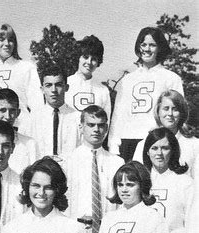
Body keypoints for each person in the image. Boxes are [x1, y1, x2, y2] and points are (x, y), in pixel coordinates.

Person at [108, 27, 184, 161]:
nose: (147, 49)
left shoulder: (171, 78)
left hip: (156, 140)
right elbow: (118, 115)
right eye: (143, 44)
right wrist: (113, 144)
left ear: (159, 48)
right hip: (128, 141)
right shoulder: (127, 80)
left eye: (152, 45)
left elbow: (179, 115)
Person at [66, 105, 124, 233]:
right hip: (76, 232)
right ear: (81, 127)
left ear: (106, 128)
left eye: (101, 125)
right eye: (91, 125)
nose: (96, 130)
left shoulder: (117, 162)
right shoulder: (68, 161)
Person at [0, 23, 43, 131]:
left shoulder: (26, 67)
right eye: (1, 39)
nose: (7, 44)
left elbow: (37, 105)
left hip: (19, 127)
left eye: (10, 40)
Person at [133, 90, 199, 177]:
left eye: (175, 109)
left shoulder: (195, 145)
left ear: (182, 113)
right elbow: (136, 179)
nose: (170, 114)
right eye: (166, 108)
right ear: (158, 111)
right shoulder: (143, 145)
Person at [28, 65, 79, 163]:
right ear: (42, 89)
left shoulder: (77, 117)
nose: (54, 90)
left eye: (58, 85)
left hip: (70, 173)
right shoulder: (32, 118)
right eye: (48, 85)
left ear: (66, 87)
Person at [65, 35, 111, 120]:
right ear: (78, 58)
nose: (89, 62)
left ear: (98, 62)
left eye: (94, 59)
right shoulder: (65, 84)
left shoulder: (102, 90)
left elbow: (105, 121)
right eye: (85, 57)